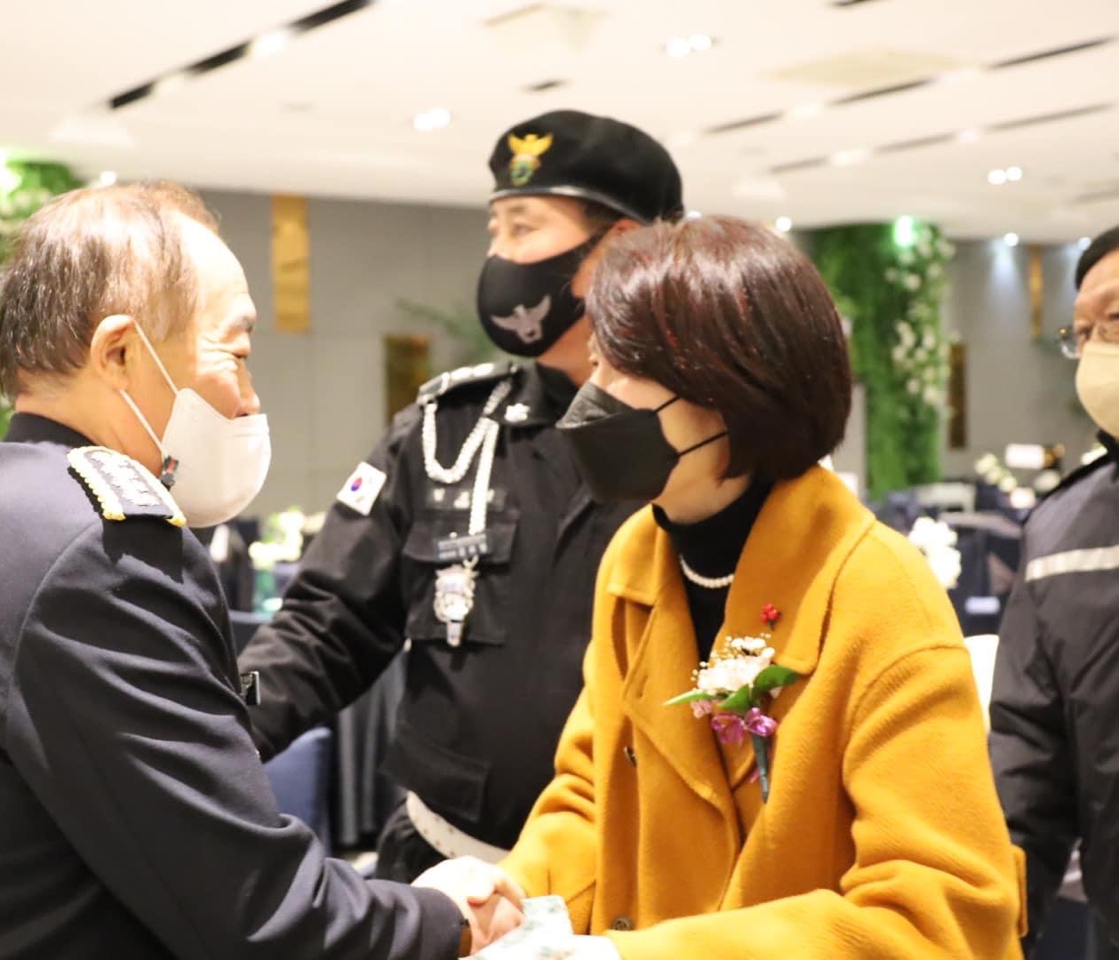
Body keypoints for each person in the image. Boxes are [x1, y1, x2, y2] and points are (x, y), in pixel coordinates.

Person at [0, 182, 524, 960]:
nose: (249, 398)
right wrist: (442, 916)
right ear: (119, 353)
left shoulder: (20, 501)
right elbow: (254, 912)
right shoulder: (100, 553)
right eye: (237, 354)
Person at [468, 216, 1026, 957]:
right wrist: (504, 898)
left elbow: (941, 912)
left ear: (731, 387)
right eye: (595, 363)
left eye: (620, 369)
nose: (590, 401)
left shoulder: (875, 590)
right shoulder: (637, 557)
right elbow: (592, 794)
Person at [238, 110, 684, 880]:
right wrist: (213, 729)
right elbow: (326, 625)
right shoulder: (445, 434)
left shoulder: (701, 442)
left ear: (621, 247)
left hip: (641, 888)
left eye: (522, 227)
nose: (498, 254)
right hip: (445, 866)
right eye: (493, 230)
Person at [990, 223, 1119, 957]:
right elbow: (1030, 769)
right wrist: (991, 929)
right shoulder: (1063, 531)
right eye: (1083, 334)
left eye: (1116, 320)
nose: (1098, 351)